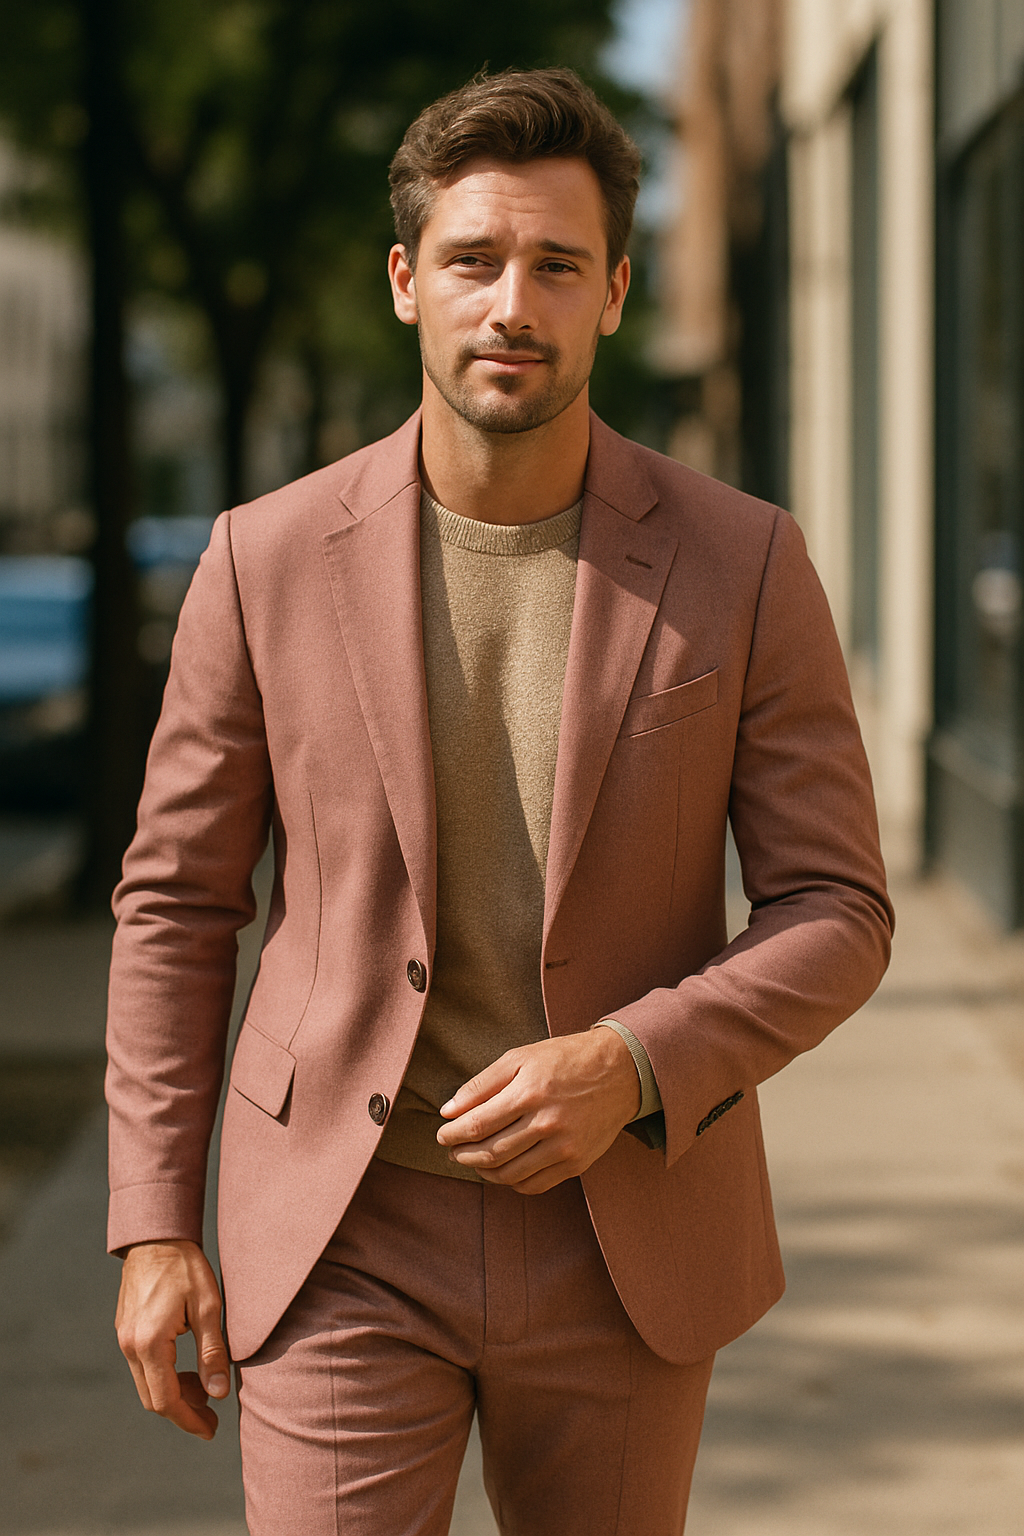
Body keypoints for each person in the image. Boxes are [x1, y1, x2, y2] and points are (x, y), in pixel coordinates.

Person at [107, 67, 893, 1535]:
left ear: (615, 293)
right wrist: (153, 1222)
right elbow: (176, 904)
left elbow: (838, 908)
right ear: (408, 281)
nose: (510, 303)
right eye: (473, 260)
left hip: (625, 1230)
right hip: (342, 1226)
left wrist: (634, 1061)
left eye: (557, 264)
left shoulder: (746, 564)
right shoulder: (261, 561)